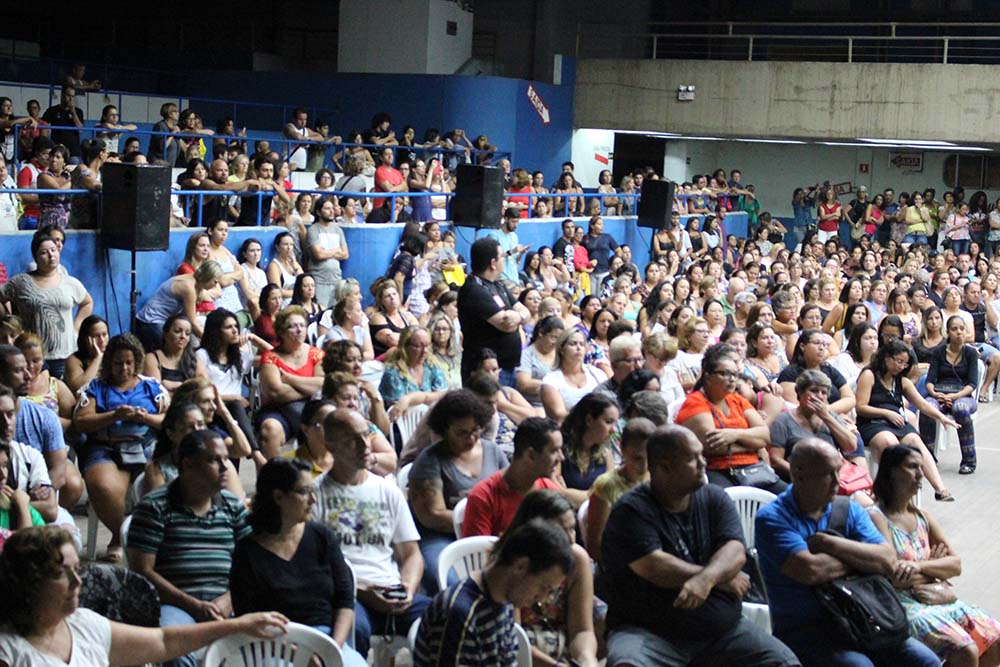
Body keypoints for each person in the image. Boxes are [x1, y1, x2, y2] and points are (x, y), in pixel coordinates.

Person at [600, 424, 799, 667]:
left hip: (722, 632)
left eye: (701, 455)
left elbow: (735, 550)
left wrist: (707, 579)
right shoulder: (631, 511)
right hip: (649, 634)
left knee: (784, 662)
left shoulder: (714, 497)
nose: (703, 463)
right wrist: (721, 579)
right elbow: (655, 566)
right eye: (693, 459)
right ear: (663, 468)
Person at [755, 438, 941, 667]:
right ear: (799, 476)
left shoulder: (849, 509)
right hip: (808, 629)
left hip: (863, 617)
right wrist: (862, 560)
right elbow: (811, 570)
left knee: (927, 661)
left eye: (838, 471)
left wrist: (830, 544)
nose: (838, 481)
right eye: (828, 474)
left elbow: (888, 559)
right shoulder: (772, 518)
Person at [0, 525, 290, 667]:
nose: (78, 582)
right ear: (31, 582)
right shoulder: (9, 652)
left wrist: (239, 625)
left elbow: (163, 641)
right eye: (62, 573)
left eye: (78, 569)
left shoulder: (84, 624)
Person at [311, 408, 432, 658]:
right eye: (352, 440)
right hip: (347, 594)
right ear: (330, 446)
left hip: (390, 590)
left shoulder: (388, 491)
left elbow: (412, 554)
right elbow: (315, 567)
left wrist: (408, 590)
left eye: (366, 435)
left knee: (444, 616)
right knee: (356, 628)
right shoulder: (314, 495)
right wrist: (365, 592)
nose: (365, 445)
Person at [127, 430, 252, 667]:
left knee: (270, 637)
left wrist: (229, 599)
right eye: (214, 460)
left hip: (229, 601)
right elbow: (142, 570)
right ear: (188, 464)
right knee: (175, 649)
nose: (225, 467)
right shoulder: (155, 507)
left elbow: (252, 563)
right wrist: (193, 605)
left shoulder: (232, 505)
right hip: (175, 604)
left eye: (226, 459)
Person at [867, 445, 1000, 665]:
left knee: (995, 641)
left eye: (921, 467)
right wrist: (935, 570)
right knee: (966, 651)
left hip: (934, 597)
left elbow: (955, 565)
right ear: (891, 472)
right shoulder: (877, 517)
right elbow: (894, 576)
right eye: (912, 467)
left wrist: (919, 567)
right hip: (901, 604)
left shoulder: (923, 517)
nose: (920, 474)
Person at [230, 458, 367, 667]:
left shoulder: (322, 537)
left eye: (313, 491)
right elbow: (248, 620)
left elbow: (345, 601)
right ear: (278, 497)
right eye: (304, 492)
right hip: (275, 645)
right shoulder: (247, 552)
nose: (313, 499)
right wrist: (299, 655)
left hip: (327, 641)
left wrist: (333, 649)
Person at [413, 518, 574, 667]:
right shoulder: (459, 614)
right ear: (521, 566)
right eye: (544, 587)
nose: (542, 598)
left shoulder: (504, 601)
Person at [72, 333, 168, 561]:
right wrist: (114, 415)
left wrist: (145, 418)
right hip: (106, 448)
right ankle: (122, 535)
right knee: (101, 484)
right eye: (118, 363)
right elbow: (81, 421)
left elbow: (170, 419)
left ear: (137, 361)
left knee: (161, 480)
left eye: (128, 363)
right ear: (109, 363)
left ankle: (151, 538)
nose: (124, 368)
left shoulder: (151, 386)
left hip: (145, 446)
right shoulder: (96, 387)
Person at [408, 390, 505, 592]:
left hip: (488, 532)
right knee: (450, 581)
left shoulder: (493, 451)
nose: (471, 438)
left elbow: (509, 493)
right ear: (445, 430)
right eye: (462, 433)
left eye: (476, 430)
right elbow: (432, 515)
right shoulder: (430, 461)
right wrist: (480, 521)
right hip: (441, 537)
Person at [676, 344, 787, 494]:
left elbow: (765, 436)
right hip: (716, 470)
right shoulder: (695, 402)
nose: (732, 379)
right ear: (708, 376)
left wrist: (735, 435)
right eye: (725, 374)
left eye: (735, 375)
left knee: (792, 497)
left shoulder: (737, 400)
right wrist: (752, 445)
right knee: (727, 500)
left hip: (753, 469)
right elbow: (715, 446)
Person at [856, 339, 957, 502]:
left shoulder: (901, 380)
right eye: (899, 361)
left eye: (905, 363)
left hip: (896, 422)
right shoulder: (869, 375)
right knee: (889, 442)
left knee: (915, 441)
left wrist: (942, 418)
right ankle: (896, 491)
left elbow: (922, 404)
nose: (902, 366)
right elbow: (860, 407)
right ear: (887, 358)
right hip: (871, 422)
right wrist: (886, 413)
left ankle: (940, 489)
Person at [0, 234, 92, 379]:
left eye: (53, 250)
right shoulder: (21, 282)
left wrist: (76, 326)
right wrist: (9, 321)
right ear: (35, 257)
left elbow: (87, 302)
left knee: (63, 391)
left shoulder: (70, 283)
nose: (51, 255)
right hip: (31, 356)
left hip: (65, 354)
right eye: (44, 252)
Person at [769, 370, 870, 499]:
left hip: (833, 480)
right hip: (800, 482)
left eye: (823, 392)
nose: (819, 396)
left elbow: (851, 446)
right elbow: (776, 460)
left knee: (866, 503)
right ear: (800, 392)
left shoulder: (830, 417)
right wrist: (805, 476)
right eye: (814, 391)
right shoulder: (783, 420)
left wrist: (826, 417)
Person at [461, 416, 565, 538]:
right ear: (530, 455)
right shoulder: (483, 497)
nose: (561, 457)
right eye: (554, 451)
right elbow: (477, 548)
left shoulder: (549, 490)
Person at [458, 237, 529, 385]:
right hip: (485, 371)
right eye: (502, 257)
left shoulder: (498, 285)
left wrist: (519, 316)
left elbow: (526, 311)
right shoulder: (474, 289)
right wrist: (519, 318)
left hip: (507, 367)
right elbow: (506, 325)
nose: (504, 260)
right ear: (492, 263)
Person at [257, 306, 325, 460]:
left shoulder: (316, 354)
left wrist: (290, 380)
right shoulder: (271, 357)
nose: (299, 330)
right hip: (278, 411)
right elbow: (276, 392)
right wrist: (310, 387)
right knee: (270, 429)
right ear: (281, 332)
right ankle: (272, 472)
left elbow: (323, 384)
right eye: (293, 326)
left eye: (302, 325)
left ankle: (319, 470)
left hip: (312, 408)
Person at [585, 417, 653, 564]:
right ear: (622, 449)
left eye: (650, 457)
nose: (644, 465)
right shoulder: (606, 486)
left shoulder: (658, 479)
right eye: (637, 458)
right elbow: (595, 546)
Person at [920, 315, 980, 475]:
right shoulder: (939, 352)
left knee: (960, 409)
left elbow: (972, 384)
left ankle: (969, 460)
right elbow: (930, 380)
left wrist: (955, 396)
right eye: (954, 329)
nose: (959, 332)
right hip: (939, 394)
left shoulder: (970, 353)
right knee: (927, 408)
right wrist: (935, 394)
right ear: (947, 332)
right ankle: (928, 458)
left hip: (963, 395)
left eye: (962, 329)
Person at [135, 261, 224, 349]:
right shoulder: (189, 288)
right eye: (215, 282)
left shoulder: (194, 281)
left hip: (161, 320)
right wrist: (209, 342)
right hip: (150, 321)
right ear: (208, 277)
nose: (215, 285)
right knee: (171, 348)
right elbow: (192, 323)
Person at [554, 393, 618, 507]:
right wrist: (594, 495)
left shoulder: (606, 455)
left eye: (614, 423)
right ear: (589, 420)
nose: (613, 430)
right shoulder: (558, 449)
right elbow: (555, 493)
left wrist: (567, 493)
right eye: (608, 422)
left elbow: (610, 496)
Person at [539, 328, 606, 422]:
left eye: (582, 344)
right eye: (573, 344)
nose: (578, 348)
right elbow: (559, 415)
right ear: (561, 349)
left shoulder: (598, 374)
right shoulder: (550, 380)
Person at [378, 325, 448, 413]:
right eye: (418, 346)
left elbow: (442, 396)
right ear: (405, 347)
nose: (425, 351)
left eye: (427, 345)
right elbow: (399, 409)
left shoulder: (431, 365)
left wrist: (411, 398)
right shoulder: (393, 373)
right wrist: (430, 397)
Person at [307, 195, 349, 308]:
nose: (331, 211)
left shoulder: (338, 230)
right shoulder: (313, 230)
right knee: (320, 309)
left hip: (336, 278)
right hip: (319, 279)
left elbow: (345, 254)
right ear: (318, 212)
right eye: (327, 208)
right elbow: (318, 254)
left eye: (332, 208)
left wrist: (326, 252)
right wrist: (336, 251)